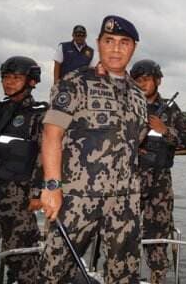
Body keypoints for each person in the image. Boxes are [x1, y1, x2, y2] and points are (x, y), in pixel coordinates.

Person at [39, 15, 148, 283]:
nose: (116, 48)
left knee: (124, 273)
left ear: (133, 47)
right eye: (109, 41)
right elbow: (52, 134)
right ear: (98, 44)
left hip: (126, 200)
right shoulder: (76, 82)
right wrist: (52, 185)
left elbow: (137, 140)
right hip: (78, 198)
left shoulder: (138, 94)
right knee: (55, 271)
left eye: (124, 42)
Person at [0, 56, 46, 284]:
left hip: (17, 198)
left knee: (22, 256)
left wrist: (36, 192)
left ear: (32, 81)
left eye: (16, 78)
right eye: (6, 77)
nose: (9, 82)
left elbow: (45, 156)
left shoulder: (39, 115)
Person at [130, 59, 186, 283]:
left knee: (157, 237)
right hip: (129, 183)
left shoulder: (170, 110)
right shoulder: (125, 107)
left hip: (159, 184)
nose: (141, 84)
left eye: (146, 79)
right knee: (124, 236)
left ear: (157, 81)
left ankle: (158, 278)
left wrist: (165, 130)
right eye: (137, 80)